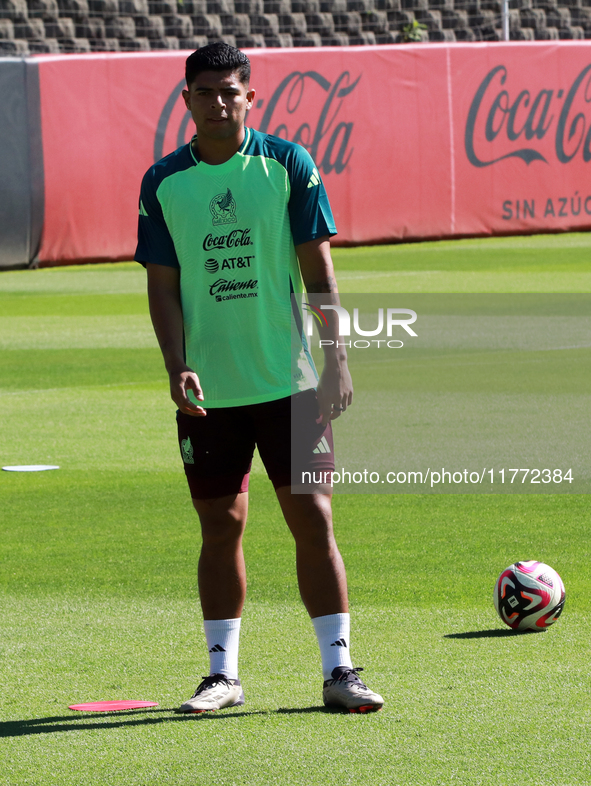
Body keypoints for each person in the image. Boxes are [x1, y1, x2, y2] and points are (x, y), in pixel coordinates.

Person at [135, 42, 383, 714]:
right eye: (206, 91)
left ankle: (339, 671)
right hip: (209, 392)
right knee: (220, 524)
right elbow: (164, 286)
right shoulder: (162, 181)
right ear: (185, 99)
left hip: (290, 382)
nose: (220, 102)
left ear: (251, 97)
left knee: (313, 518)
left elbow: (318, 273)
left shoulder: (286, 165)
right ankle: (222, 676)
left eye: (231, 91)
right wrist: (175, 364)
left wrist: (336, 359)